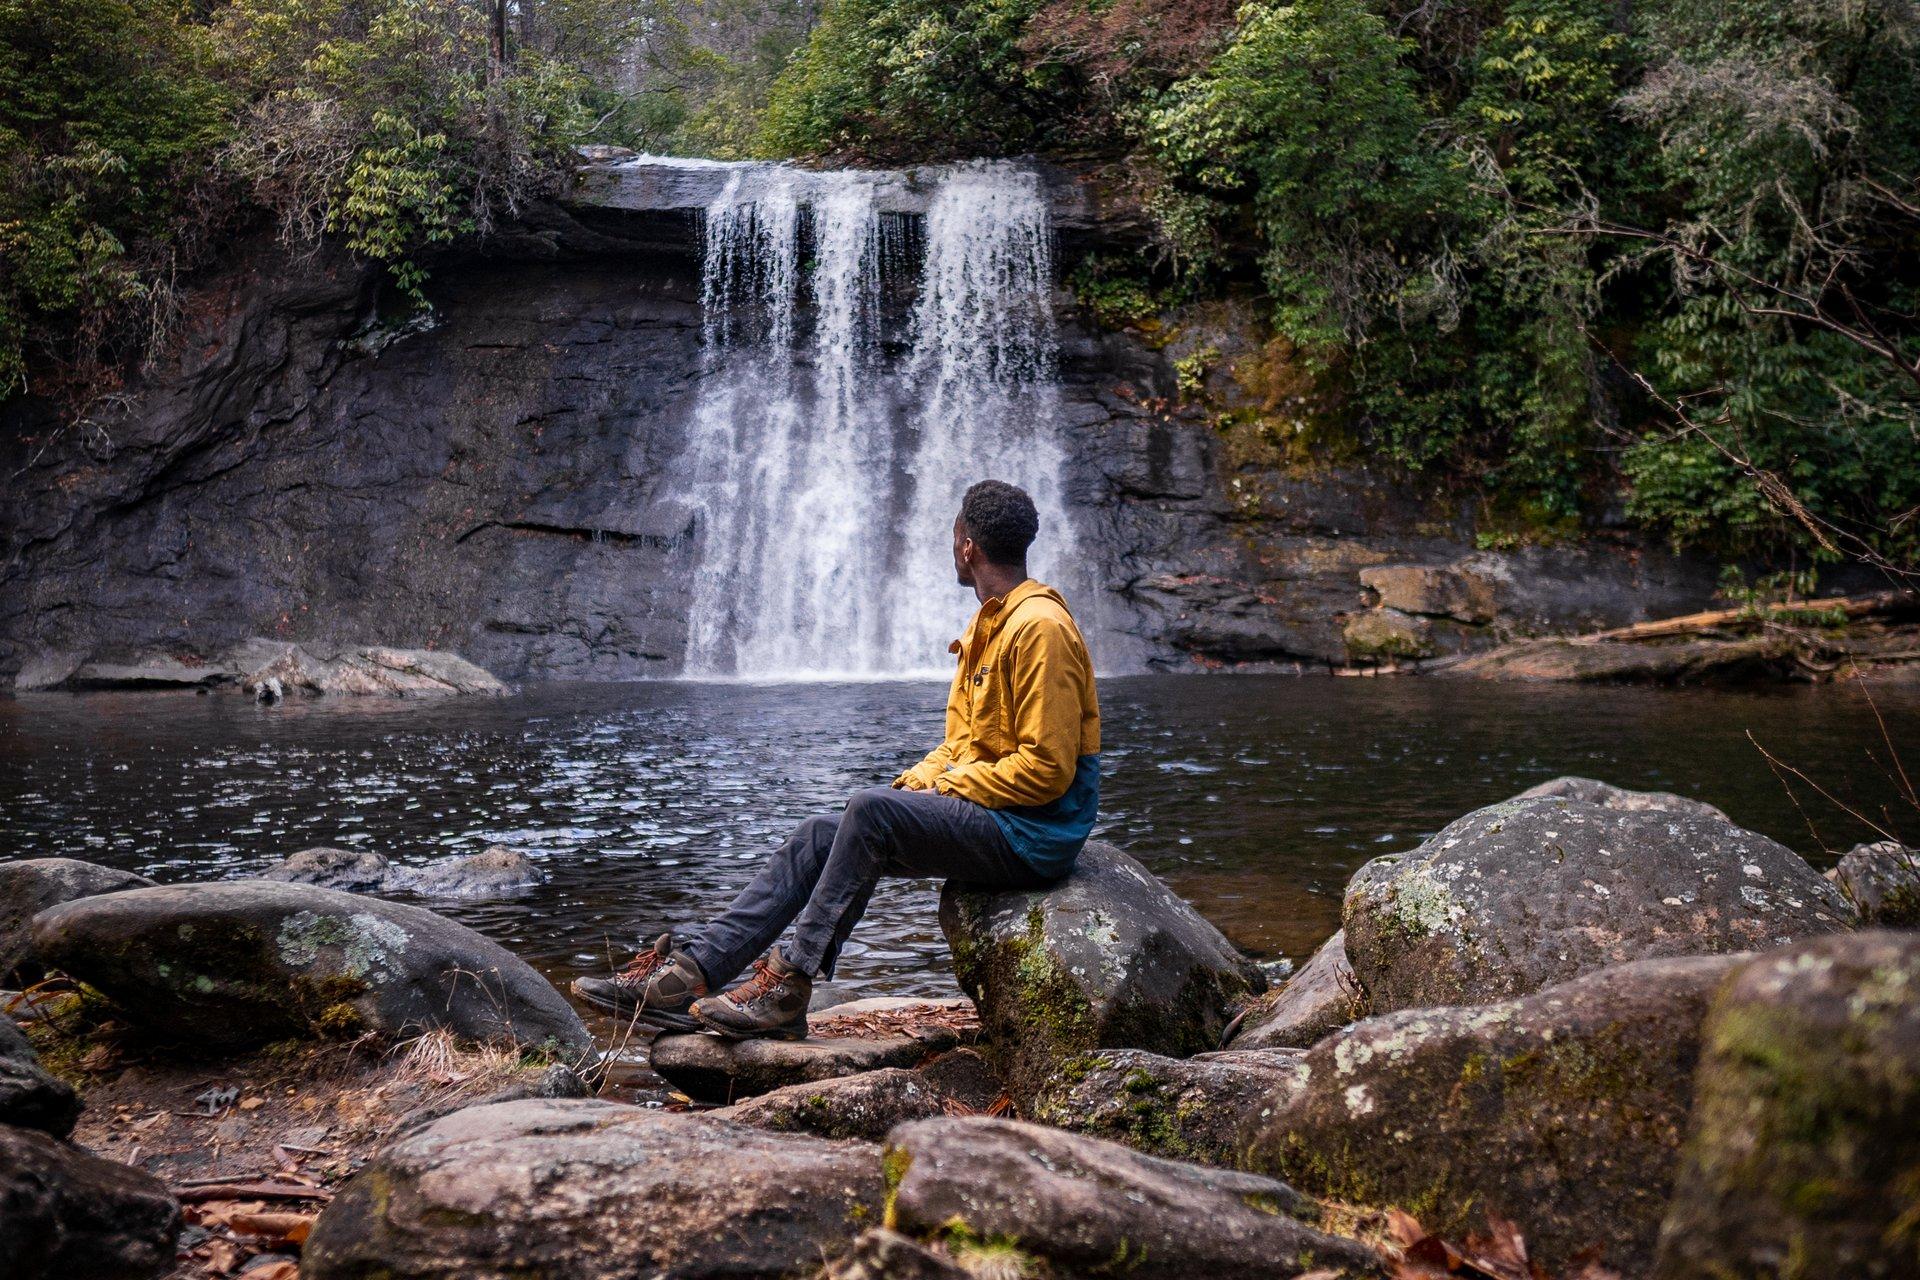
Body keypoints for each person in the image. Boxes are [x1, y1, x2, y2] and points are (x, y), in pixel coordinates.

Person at [572, 479, 1102, 1040]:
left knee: (871, 812)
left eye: (954, 538)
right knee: (821, 834)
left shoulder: (1039, 627)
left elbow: (1048, 769)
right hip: (998, 813)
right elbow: (962, 744)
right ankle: (693, 973)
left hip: (1033, 833)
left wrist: (940, 791)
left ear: (966, 544)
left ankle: (789, 986)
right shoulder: (989, 626)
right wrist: (918, 783)